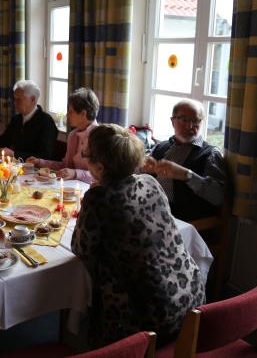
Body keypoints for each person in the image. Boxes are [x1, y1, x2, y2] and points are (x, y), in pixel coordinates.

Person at [72, 124, 205, 348]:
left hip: (148, 317)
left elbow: (81, 248)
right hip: (191, 300)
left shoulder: (98, 197)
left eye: (87, 155)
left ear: (100, 166)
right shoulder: (150, 182)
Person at [142, 99, 226, 222]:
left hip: (184, 220)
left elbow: (219, 196)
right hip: (151, 210)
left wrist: (187, 175)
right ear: (172, 121)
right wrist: (143, 169)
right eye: (184, 120)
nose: (190, 126)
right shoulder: (161, 147)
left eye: (196, 121)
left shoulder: (210, 154)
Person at [27, 87, 98, 182]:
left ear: (83, 114)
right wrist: (40, 162)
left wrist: (75, 173)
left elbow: (101, 175)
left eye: (70, 111)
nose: (67, 114)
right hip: (72, 188)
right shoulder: (73, 136)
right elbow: (65, 166)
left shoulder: (100, 138)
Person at [0, 80, 58, 160]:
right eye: (14, 99)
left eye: (19, 99)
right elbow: (3, 140)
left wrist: (14, 154)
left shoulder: (47, 122)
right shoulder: (16, 119)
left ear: (33, 99)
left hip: (37, 169)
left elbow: (44, 156)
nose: (15, 103)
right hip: (17, 165)